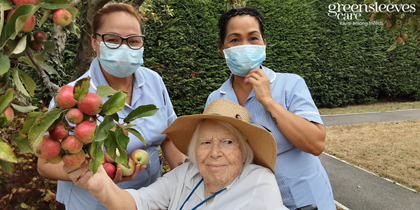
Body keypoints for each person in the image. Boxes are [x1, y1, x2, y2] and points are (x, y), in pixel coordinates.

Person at [37, 3, 186, 210]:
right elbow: (44, 165)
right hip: (93, 204)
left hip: (149, 200)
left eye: (133, 41)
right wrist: (96, 172)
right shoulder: (73, 98)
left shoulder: (154, 81)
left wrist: (186, 173)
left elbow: (169, 135)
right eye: (113, 40)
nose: (124, 47)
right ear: (94, 42)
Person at [205, 7, 336, 210]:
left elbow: (315, 144)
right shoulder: (216, 100)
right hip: (252, 202)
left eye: (253, 38)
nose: (245, 45)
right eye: (235, 40)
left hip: (306, 200)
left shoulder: (290, 84)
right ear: (222, 50)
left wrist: (268, 101)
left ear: (264, 44)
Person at [63, 99, 289, 210]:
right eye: (206, 142)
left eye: (228, 142)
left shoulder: (259, 181)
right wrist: (102, 186)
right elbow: (135, 203)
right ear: (194, 150)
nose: (215, 153)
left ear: (244, 151)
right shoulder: (185, 174)